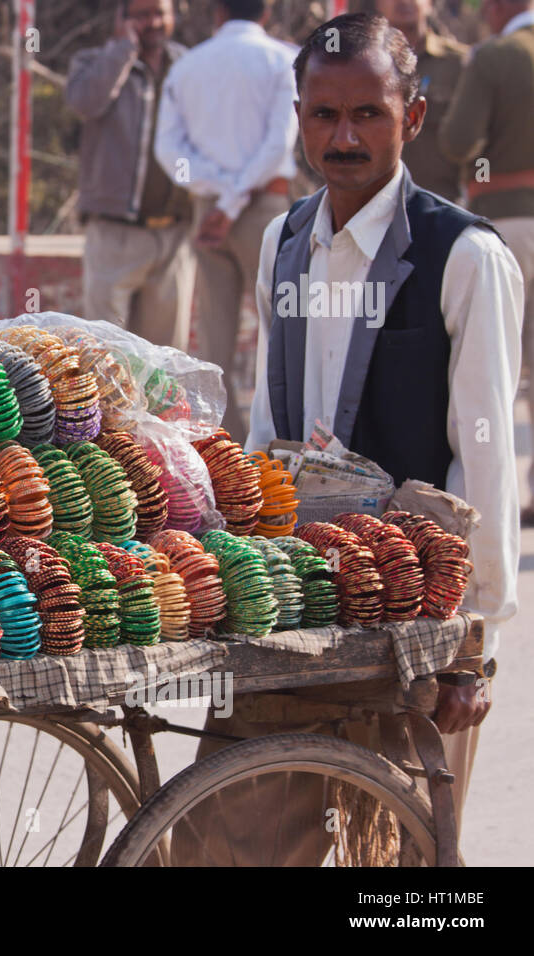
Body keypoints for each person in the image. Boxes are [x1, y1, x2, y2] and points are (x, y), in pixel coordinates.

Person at [178, 12, 522, 864]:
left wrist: (473, 647)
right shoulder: (284, 242)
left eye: (368, 113)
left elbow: (485, 457)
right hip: (298, 606)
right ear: (297, 116)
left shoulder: (464, 257)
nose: (343, 137)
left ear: (414, 116)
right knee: (223, 838)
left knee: (400, 866)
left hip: (416, 621)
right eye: (322, 114)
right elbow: (268, 428)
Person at [154, 0, 297, 441]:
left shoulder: (188, 67)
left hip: (208, 215)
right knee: (286, 333)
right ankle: (281, 446)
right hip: (265, 210)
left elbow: (169, 152)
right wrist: (234, 199)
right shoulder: (284, 60)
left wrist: (215, 192)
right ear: (266, 12)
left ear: (216, 13)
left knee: (215, 343)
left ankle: (228, 451)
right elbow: (279, 145)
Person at [439, 0, 534, 523]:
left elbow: (457, 142)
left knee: (496, 369)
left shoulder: (497, 57)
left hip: (508, 221)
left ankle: (495, 508)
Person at [66, 0, 195, 350]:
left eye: (159, 13)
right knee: (106, 356)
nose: (152, 22)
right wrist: (123, 50)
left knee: (165, 361)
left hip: (173, 234)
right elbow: (84, 103)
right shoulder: (95, 63)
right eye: (141, 14)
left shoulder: (188, 67)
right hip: (113, 233)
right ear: (121, 19)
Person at [376, 0, 470, 202]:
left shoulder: (460, 63)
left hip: (444, 204)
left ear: (431, 3)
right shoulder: (363, 65)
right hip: (377, 204)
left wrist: (480, 186)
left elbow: (480, 140)